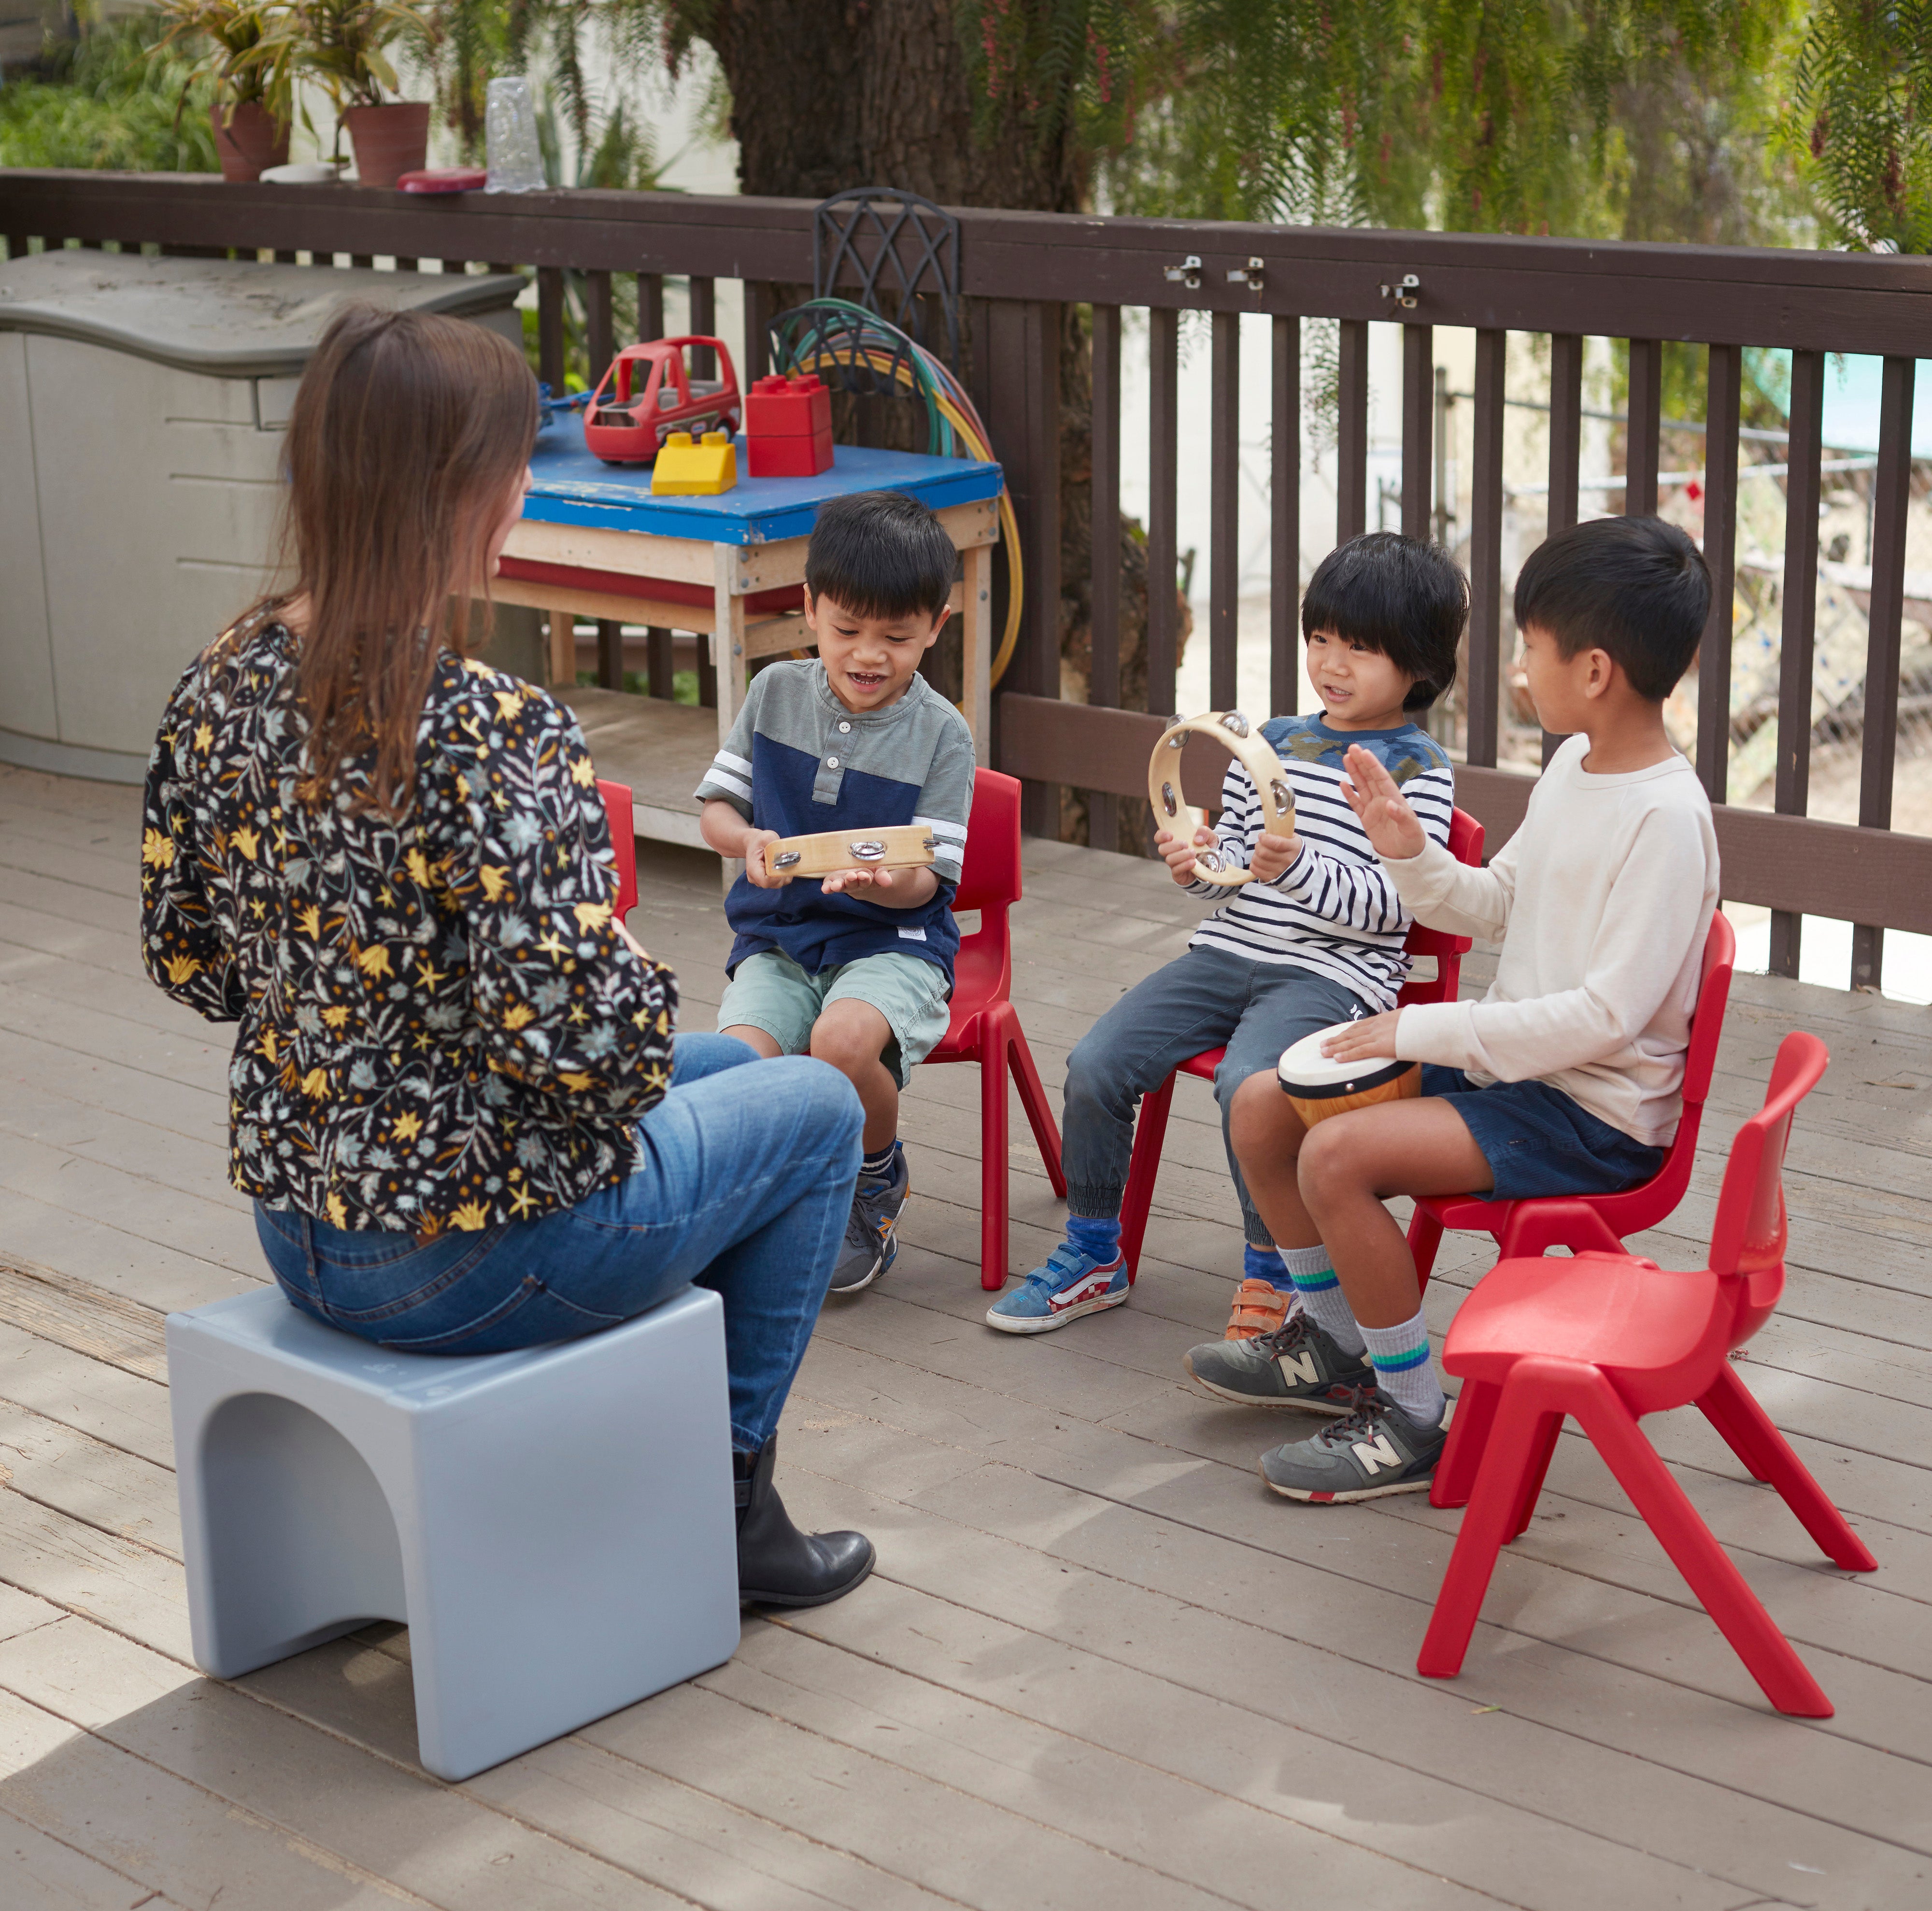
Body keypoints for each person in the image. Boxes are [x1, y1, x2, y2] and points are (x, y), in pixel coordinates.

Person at [139, 302, 874, 1610]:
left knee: (724, 1064)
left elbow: (189, 961)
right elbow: (581, 1048)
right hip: (468, 1256)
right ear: (454, 494)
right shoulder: (488, 724)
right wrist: (621, 970)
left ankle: (640, 1445)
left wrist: (351, 995)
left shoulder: (218, 680)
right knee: (814, 1104)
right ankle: (729, 1498)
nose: (526, 482)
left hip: (299, 1223)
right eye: (507, 459)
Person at [1191, 514, 1719, 1504]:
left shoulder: (1664, 818)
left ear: (1594, 668)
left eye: (1531, 646)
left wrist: (1418, 1028)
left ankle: (1410, 1415)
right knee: (1261, 1105)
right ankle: (1338, 1348)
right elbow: (1494, 901)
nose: (1520, 668)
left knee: (1333, 1156)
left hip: (1589, 1116)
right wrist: (1406, 849)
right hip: (1513, 1067)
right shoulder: (1573, 765)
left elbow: (1604, 1016)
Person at [985, 531, 1463, 1337]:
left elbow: (1399, 908)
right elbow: (1237, 869)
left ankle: (1273, 1266)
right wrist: (1196, 864)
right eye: (1321, 640)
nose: (1332, 665)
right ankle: (1095, 1250)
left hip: (1333, 980)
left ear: (1418, 665)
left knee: (1251, 1085)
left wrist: (1296, 867)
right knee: (1098, 1062)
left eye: (1360, 649)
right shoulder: (1270, 743)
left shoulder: (1420, 772)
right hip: (1232, 950)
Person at [695, 491, 976, 1293]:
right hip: (781, 937)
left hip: (894, 942)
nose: (869, 655)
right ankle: (770, 1199)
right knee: (735, 1070)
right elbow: (718, 810)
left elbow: (929, 880)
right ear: (809, 608)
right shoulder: (775, 694)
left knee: (842, 1044)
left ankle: (874, 1176)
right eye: (848, 629)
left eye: (896, 637)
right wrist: (746, 841)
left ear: (935, 627)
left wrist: (889, 885)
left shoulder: (943, 734)